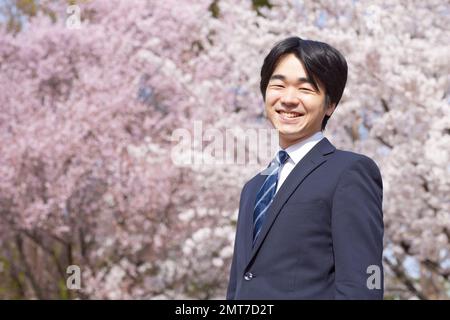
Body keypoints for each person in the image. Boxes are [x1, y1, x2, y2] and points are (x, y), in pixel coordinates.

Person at [226, 36, 384, 299]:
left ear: (330, 104)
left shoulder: (349, 172)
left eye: (305, 89)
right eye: (278, 85)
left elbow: (362, 285)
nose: (288, 99)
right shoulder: (253, 188)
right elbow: (239, 285)